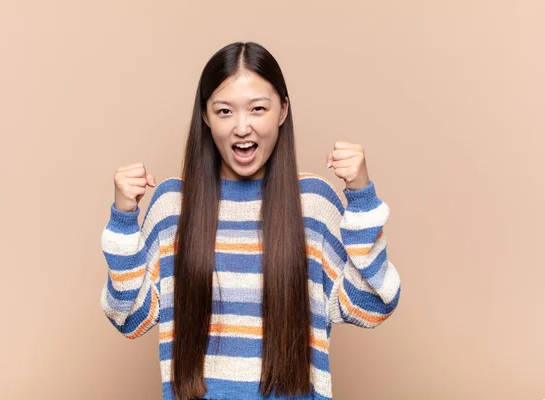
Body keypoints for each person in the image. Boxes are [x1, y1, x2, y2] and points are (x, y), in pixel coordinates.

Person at [99, 41, 401, 400]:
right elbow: (128, 318)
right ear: (205, 117)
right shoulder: (172, 206)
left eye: (258, 108)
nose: (242, 127)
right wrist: (123, 218)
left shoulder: (313, 204)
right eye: (225, 111)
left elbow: (374, 304)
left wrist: (362, 197)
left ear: (283, 111)